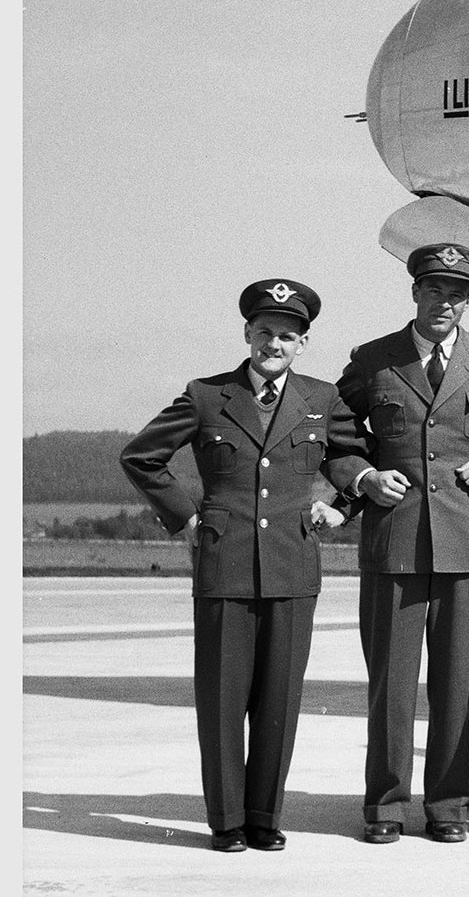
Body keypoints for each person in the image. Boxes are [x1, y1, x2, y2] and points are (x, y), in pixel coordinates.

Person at [118, 279, 362, 853]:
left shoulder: (322, 399)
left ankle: (264, 817)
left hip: (293, 564)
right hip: (224, 563)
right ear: (247, 335)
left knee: (280, 700)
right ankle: (226, 821)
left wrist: (343, 504)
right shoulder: (207, 396)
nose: (274, 344)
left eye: (287, 336)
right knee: (224, 700)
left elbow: (356, 459)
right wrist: (186, 518)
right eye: (265, 333)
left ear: (303, 343)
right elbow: (142, 455)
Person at [327, 243, 469, 844]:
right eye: (434, 289)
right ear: (415, 293)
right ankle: (385, 806)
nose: (445, 302)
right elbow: (334, 434)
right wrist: (363, 477)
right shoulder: (374, 361)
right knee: (392, 680)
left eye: (457, 293)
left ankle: (448, 806)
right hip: (397, 541)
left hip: (468, 540)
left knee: (456, 679)